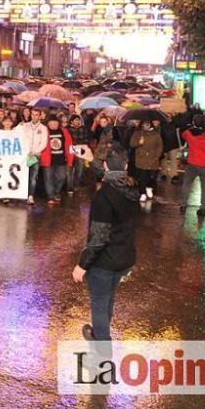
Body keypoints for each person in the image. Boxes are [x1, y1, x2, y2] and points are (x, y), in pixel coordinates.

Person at [72, 146, 140, 341]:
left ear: (105, 165)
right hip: (125, 257)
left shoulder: (103, 198)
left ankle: (102, 361)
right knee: (108, 298)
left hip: (104, 263)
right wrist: (92, 159)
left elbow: (98, 238)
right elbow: (111, 176)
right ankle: (100, 337)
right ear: (126, 165)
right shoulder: (132, 186)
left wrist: (82, 265)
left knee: (99, 306)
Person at [179, 115, 205, 216]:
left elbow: (183, 135)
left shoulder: (189, 133)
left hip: (192, 163)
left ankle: (183, 205)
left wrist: (192, 128)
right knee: (204, 187)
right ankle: (203, 208)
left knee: (187, 184)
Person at [41, 114, 74, 205]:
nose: (53, 124)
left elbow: (69, 145)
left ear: (58, 123)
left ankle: (56, 191)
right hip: (48, 159)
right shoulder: (44, 131)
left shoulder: (64, 131)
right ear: (48, 124)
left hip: (61, 159)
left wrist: (70, 159)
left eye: (55, 122)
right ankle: (51, 196)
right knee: (48, 179)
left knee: (62, 177)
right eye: (51, 123)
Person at [129, 120, 162, 202]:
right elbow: (132, 144)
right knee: (142, 176)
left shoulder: (156, 134)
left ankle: (149, 188)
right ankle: (142, 193)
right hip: (141, 158)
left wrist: (157, 156)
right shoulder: (138, 133)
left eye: (147, 124)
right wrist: (139, 142)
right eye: (144, 124)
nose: (145, 125)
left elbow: (160, 146)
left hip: (153, 159)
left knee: (152, 176)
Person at [22, 108, 48, 204]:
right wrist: (26, 151)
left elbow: (44, 143)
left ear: (40, 116)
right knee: (24, 175)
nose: (34, 116)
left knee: (33, 176)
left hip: (35, 156)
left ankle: (31, 196)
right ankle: (22, 194)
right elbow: (20, 137)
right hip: (24, 155)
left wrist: (34, 151)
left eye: (36, 114)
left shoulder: (43, 128)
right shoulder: (24, 126)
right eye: (32, 114)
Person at [68, 114, 92, 190]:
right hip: (71, 151)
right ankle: (70, 186)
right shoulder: (68, 129)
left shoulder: (83, 129)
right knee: (70, 169)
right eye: (76, 120)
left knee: (80, 168)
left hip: (81, 151)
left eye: (78, 120)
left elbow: (87, 140)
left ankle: (76, 184)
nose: (77, 122)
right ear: (72, 121)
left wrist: (85, 148)